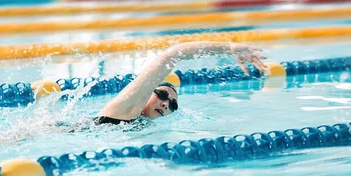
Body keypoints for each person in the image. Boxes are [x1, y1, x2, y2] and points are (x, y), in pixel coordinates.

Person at [93, 41, 268, 125]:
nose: (165, 103)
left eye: (173, 105)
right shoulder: (124, 108)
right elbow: (172, 55)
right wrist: (227, 48)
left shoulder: (136, 122)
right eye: (161, 95)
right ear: (147, 93)